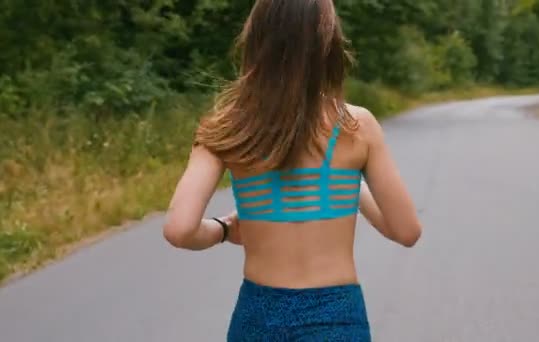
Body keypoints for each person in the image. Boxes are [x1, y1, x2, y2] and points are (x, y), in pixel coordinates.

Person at [163, 0, 422, 340]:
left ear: (256, 39)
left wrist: (224, 230)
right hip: (337, 318)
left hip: (258, 316)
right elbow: (406, 231)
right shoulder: (357, 126)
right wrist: (347, 187)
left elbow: (180, 230)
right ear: (327, 43)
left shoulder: (226, 128)